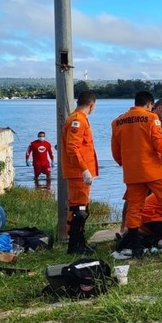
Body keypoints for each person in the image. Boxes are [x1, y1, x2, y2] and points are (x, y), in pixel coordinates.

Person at [111, 91, 162, 254]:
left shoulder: (117, 122)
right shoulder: (152, 118)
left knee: (134, 208)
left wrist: (126, 164)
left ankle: (134, 244)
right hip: (155, 170)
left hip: (132, 173)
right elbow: (159, 143)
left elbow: (116, 151)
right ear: (150, 105)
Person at [61, 91, 99, 254]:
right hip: (78, 173)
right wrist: (84, 169)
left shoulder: (79, 119)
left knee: (81, 208)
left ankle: (80, 242)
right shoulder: (78, 121)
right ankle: (75, 245)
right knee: (79, 210)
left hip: (81, 172)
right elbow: (72, 148)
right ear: (92, 105)